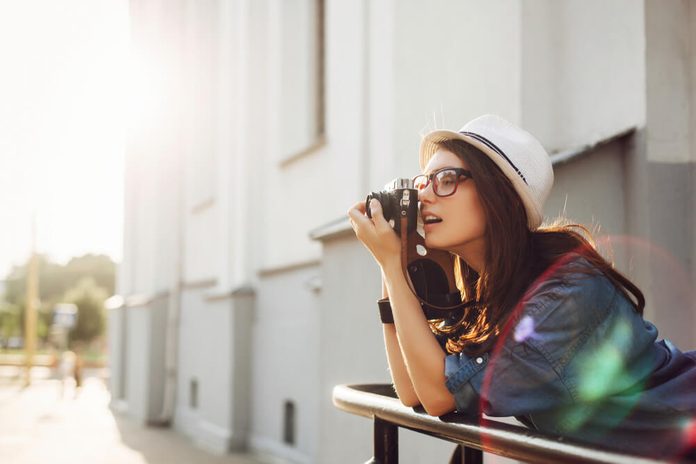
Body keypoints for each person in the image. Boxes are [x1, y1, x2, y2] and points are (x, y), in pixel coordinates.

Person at [347, 114, 696, 459]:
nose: (424, 195)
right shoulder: (492, 289)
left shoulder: (563, 295)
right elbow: (413, 391)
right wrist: (393, 258)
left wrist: (393, 266)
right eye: (424, 181)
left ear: (501, 197)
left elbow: (438, 394)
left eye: (446, 179)